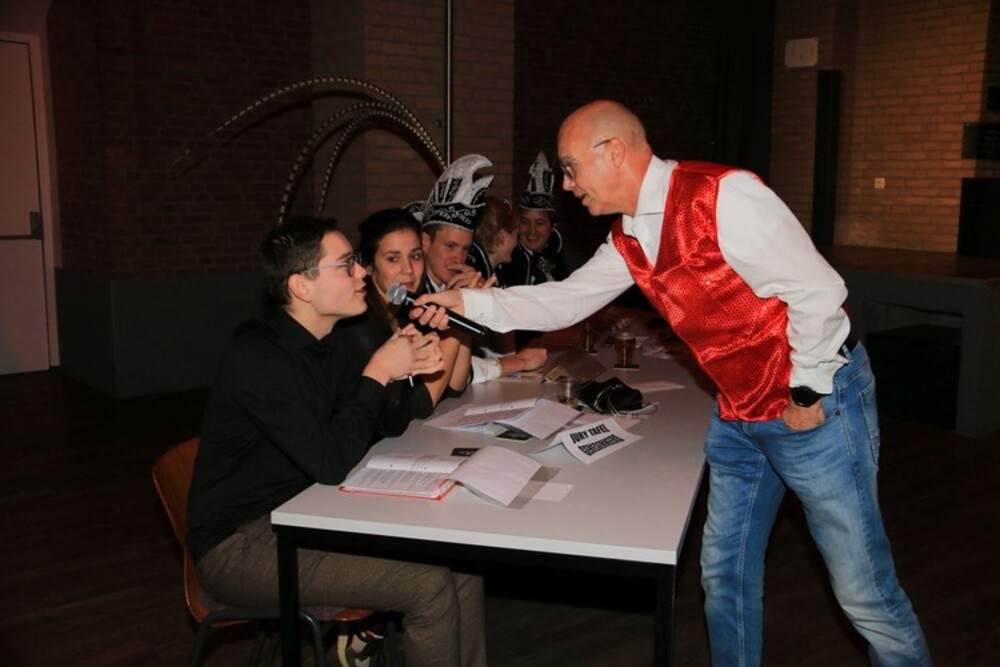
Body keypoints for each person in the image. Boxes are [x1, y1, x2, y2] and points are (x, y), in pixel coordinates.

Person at [416, 100, 930, 666]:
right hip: (738, 412)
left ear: (614, 152)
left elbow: (818, 292)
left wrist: (806, 394)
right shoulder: (629, 235)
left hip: (812, 406)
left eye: (571, 168)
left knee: (865, 595)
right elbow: (566, 300)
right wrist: (466, 302)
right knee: (724, 577)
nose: (567, 185)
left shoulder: (724, 196)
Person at [187, 216, 487, 667]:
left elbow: (391, 422)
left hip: (306, 512)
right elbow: (330, 462)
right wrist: (379, 372)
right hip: (239, 544)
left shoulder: (333, 341)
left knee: (463, 565)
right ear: (302, 286)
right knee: (428, 586)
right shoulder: (258, 358)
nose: (362, 272)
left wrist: (403, 364)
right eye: (346, 265)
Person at [417, 154, 547, 382]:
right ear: (426, 242)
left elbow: (500, 351)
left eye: (465, 249)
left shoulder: (462, 281)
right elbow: (438, 370)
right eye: (450, 246)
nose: (458, 258)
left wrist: (485, 304)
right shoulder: (413, 290)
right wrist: (519, 363)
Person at [341, 207, 472, 416]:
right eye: (393, 259)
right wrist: (455, 316)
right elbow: (419, 405)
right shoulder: (358, 324)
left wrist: (461, 318)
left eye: (416, 256)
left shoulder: (408, 312)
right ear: (369, 267)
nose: (408, 269)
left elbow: (455, 386)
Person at [504, 151, 570, 288]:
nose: (531, 230)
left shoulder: (564, 260)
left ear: (553, 226)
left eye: (539, 223)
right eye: (525, 222)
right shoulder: (506, 261)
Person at [466, 196, 519, 287]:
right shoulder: (474, 277)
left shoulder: (498, 271)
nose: (517, 243)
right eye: (516, 235)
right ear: (500, 237)